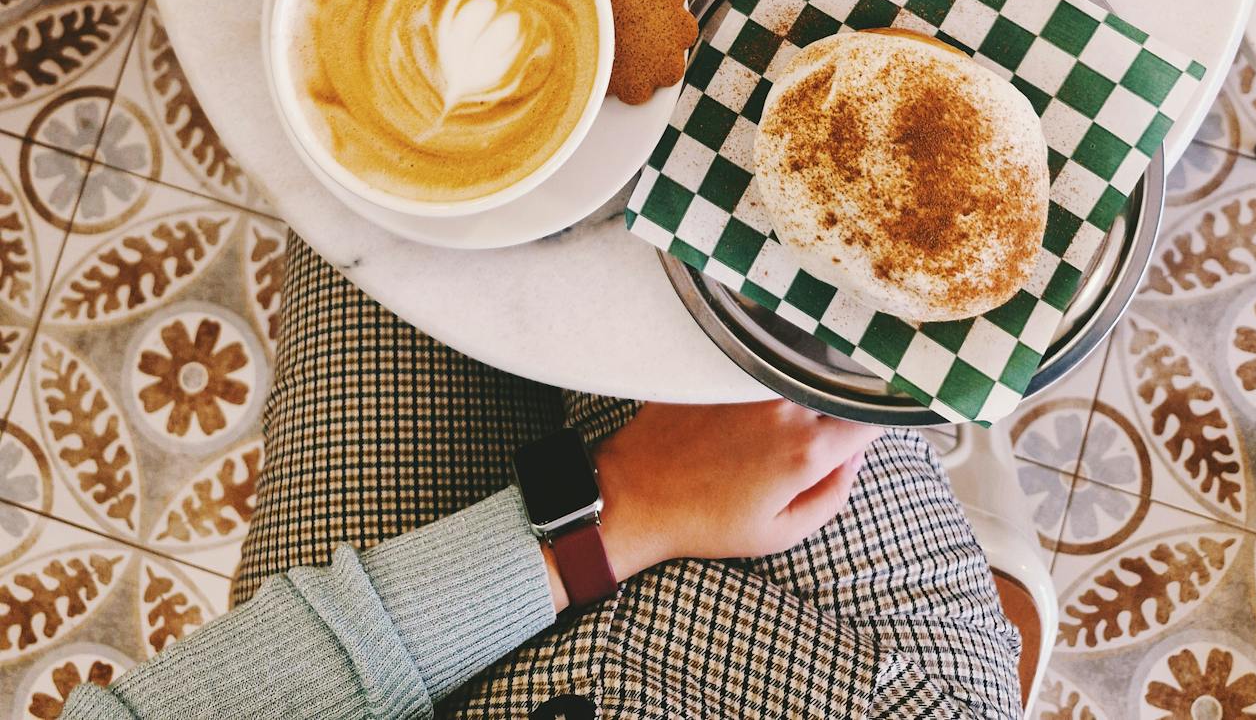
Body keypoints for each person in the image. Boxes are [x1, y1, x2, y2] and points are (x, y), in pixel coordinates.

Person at [66, 238, 1022, 719]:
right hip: (835, 677)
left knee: (382, 209)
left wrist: (623, 508)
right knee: (755, 247)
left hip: (391, 685)